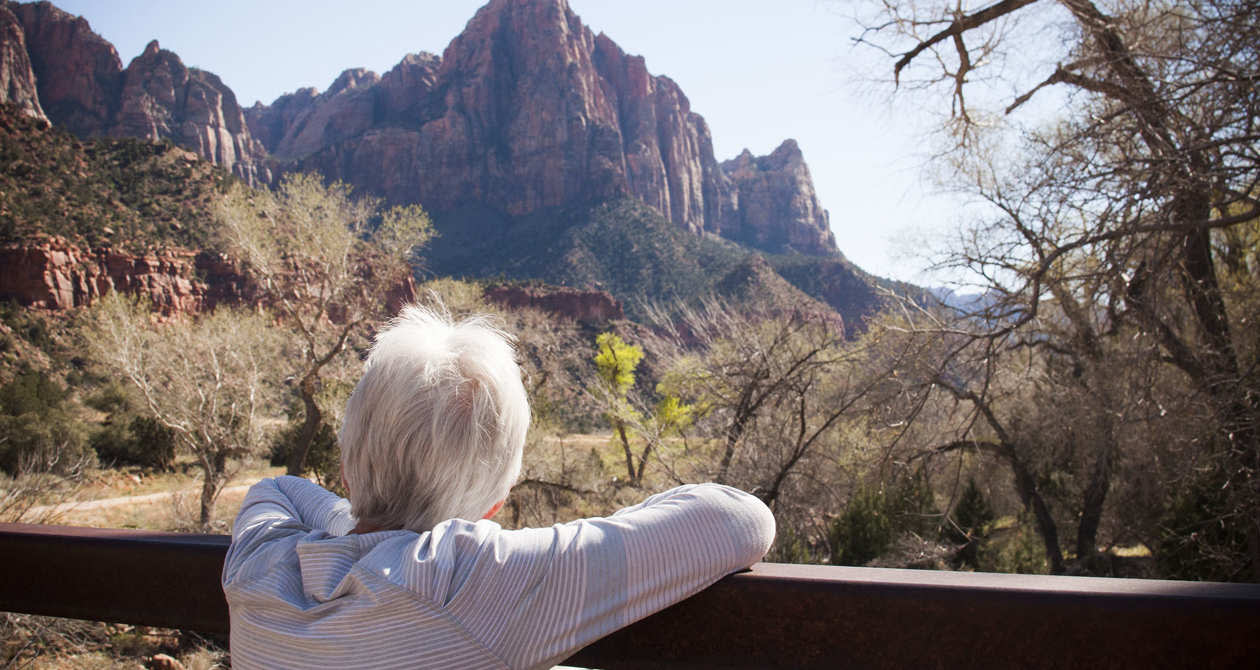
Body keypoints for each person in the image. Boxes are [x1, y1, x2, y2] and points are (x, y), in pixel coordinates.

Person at [222, 304, 776, 670]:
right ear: (495, 505)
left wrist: (360, 518)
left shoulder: (260, 563)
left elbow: (279, 490)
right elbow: (741, 518)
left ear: (345, 469)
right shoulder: (477, 581)